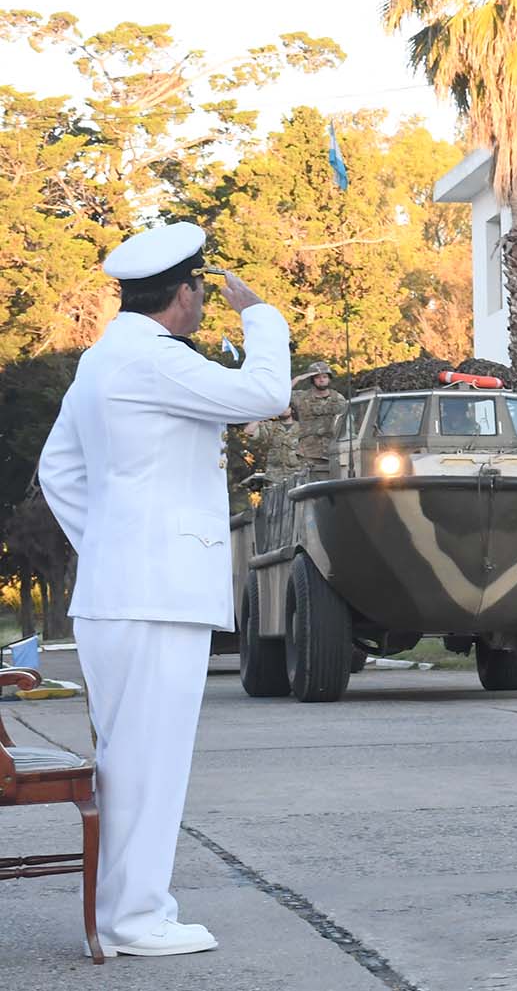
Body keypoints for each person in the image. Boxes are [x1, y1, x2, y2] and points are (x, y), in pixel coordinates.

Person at [38, 221, 290, 959]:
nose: (205, 303)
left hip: (120, 592)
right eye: (201, 291)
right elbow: (266, 391)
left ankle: (125, 911)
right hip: (156, 595)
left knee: (129, 760)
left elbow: (58, 471)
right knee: (149, 764)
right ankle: (136, 919)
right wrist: (262, 316)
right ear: (183, 294)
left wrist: (111, 544)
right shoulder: (153, 359)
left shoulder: (99, 362)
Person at [289, 362, 345, 474]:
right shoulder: (301, 397)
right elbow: (281, 394)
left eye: (325, 377)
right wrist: (297, 379)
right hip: (308, 453)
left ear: (329, 379)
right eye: (318, 377)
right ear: (312, 380)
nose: (322, 380)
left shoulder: (339, 399)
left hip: (333, 451)